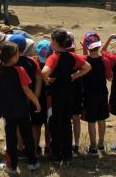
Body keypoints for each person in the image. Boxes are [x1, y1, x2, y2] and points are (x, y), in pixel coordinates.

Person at [0, 41, 41, 175]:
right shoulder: (19, 70)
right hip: (23, 110)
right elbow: (27, 90)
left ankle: (12, 166)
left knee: (11, 140)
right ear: (13, 57)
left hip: (8, 112)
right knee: (27, 136)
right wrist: (37, 102)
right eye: (17, 54)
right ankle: (32, 163)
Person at [41, 29, 90, 163]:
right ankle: (67, 155)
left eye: (52, 40)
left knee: (55, 124)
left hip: (55, 94)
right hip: (69, 93)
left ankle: (56, 155)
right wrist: (74, 76)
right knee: (66, 124)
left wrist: (47, 79)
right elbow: (87, 67)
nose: (51, 43)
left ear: (56, 43)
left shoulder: (54, 57)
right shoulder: (72, 56)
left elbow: (44, 72)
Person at [8, 34, 43, 158]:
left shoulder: (10, 63)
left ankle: (21, 148)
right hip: (31, 98)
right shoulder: (32, 62)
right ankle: (33, 149)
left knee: (18, 125)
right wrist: (36, 96)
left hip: (17, 100)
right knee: (33, 125)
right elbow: (39, 78)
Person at [82, 31, 111, 155]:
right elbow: (110, 78)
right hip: (102, 93)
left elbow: (83, 59)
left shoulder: (83, 60)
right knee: (102, 119)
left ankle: (93, 145)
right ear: (99, 45)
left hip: (89, 95)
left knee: (91, 121)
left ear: (87, 47)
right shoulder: (105, 61)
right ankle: (101, 143)